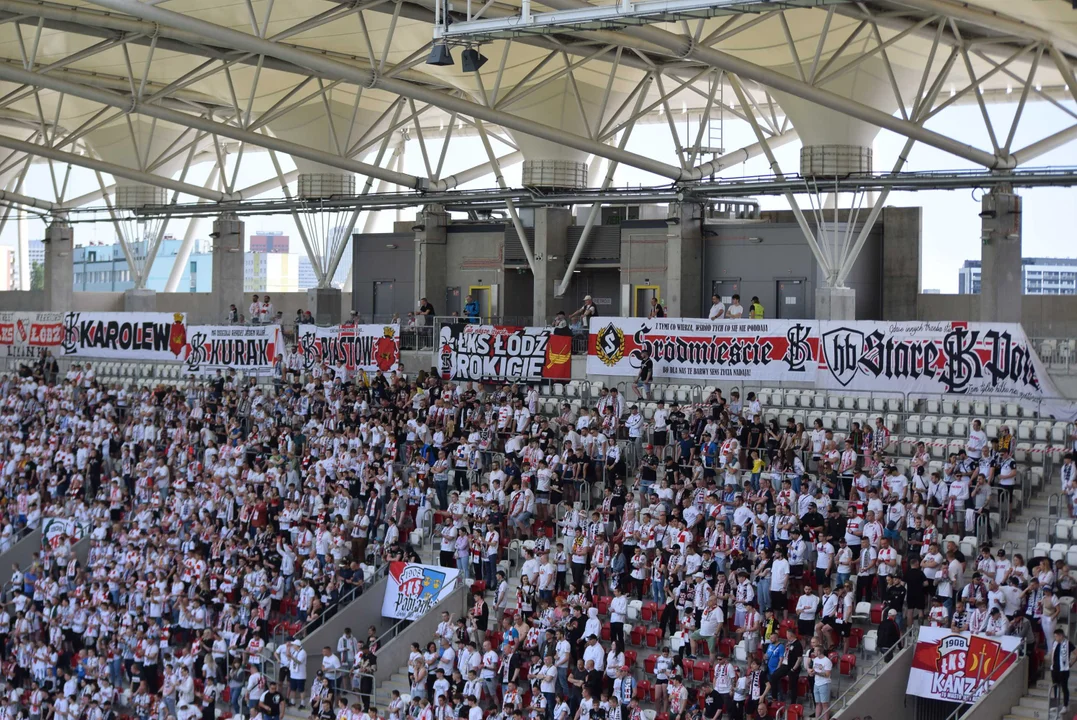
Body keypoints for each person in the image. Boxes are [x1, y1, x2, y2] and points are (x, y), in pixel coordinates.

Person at [1050, 627, 1075, 708]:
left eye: (1056, 636)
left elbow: (1076, 653)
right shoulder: (1054, 643)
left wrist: (1071, 663)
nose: (1055, 638)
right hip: (1054, 669)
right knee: (1055, 687)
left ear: (1061, 636)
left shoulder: (1068, 643)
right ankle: (1055, 705)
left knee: (1064, 687)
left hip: (1064, 670)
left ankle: (1065, 704)